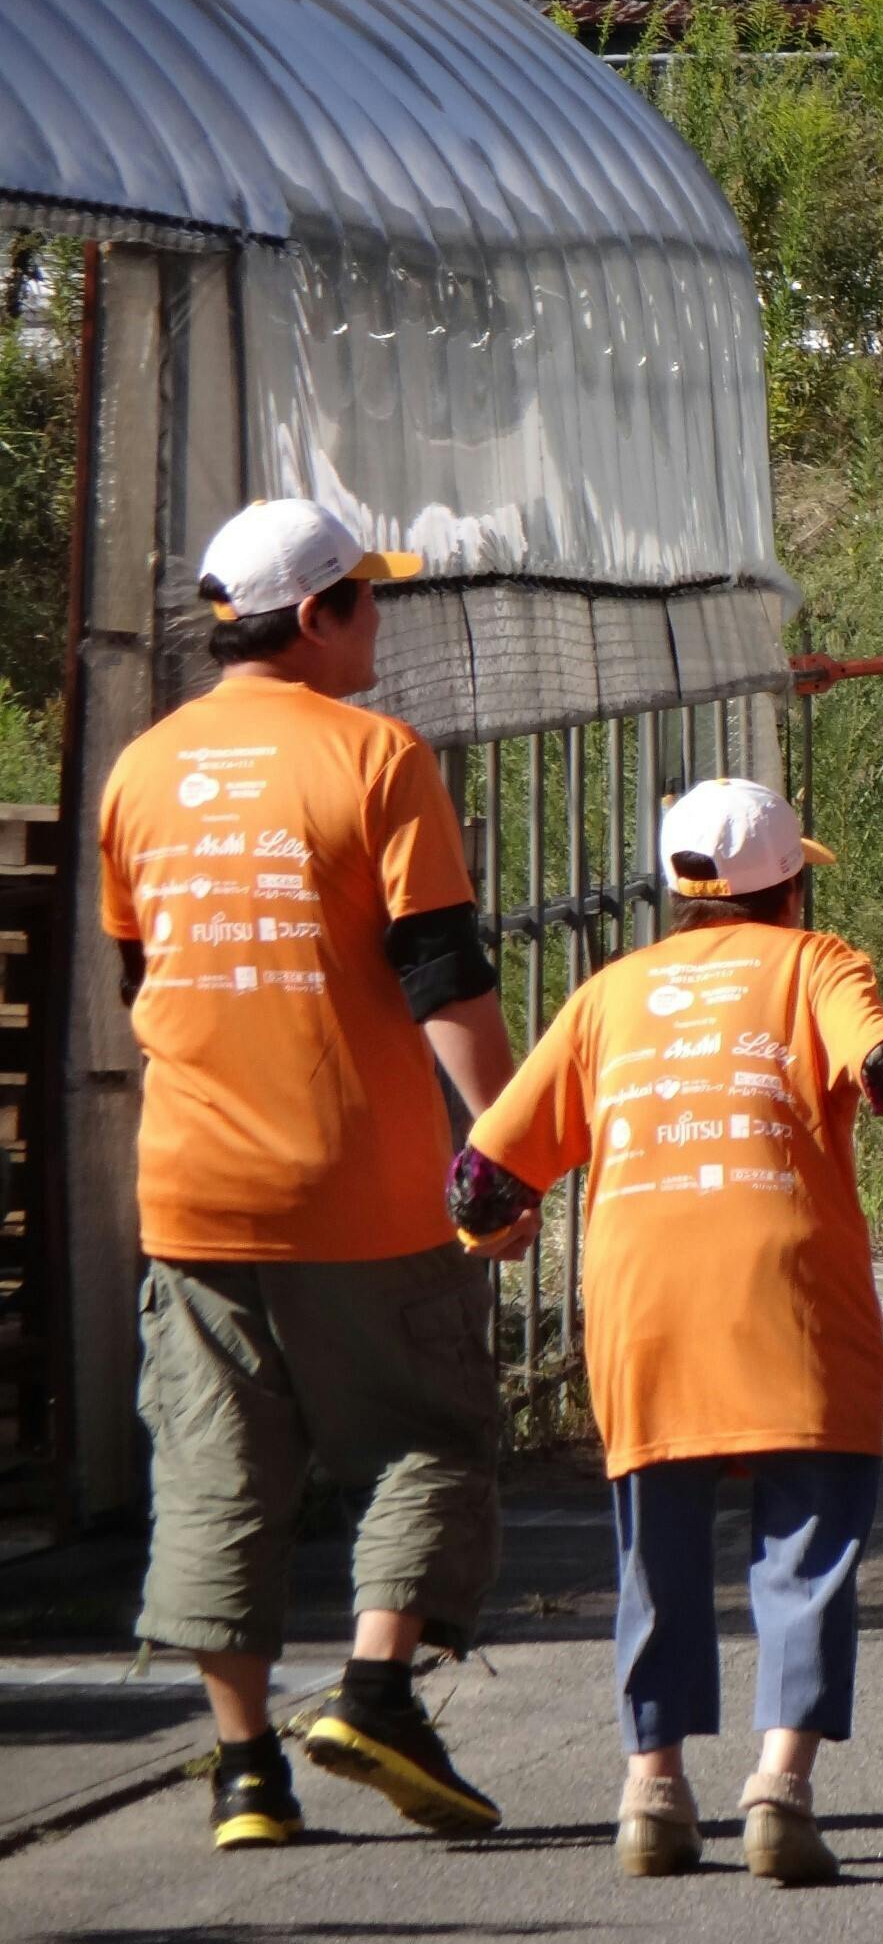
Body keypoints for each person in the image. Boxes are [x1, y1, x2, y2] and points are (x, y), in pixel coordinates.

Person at [97, 499, 525, 1851]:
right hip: (359, 1183)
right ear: (321, 614)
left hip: (192, 1189)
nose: (378, 622)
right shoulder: (376, 755)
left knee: (217, 1469)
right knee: (427, 1434)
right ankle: (377, 1692)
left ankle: (244, 1775)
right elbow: (440, 969)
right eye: (367, 599)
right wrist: (507, 1143)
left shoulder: (142, 771)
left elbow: (139, 978)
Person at [447, 778, 883, 1883]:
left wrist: (497, 1224)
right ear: (787, 888)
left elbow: (483, 1175)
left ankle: (652, 1790)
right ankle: (780, 1787)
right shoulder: (816, 965)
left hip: (644, 1301)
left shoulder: (609, 994)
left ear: (677, 890)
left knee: (658, 1550)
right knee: (809, 1541)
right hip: (791, 1293)